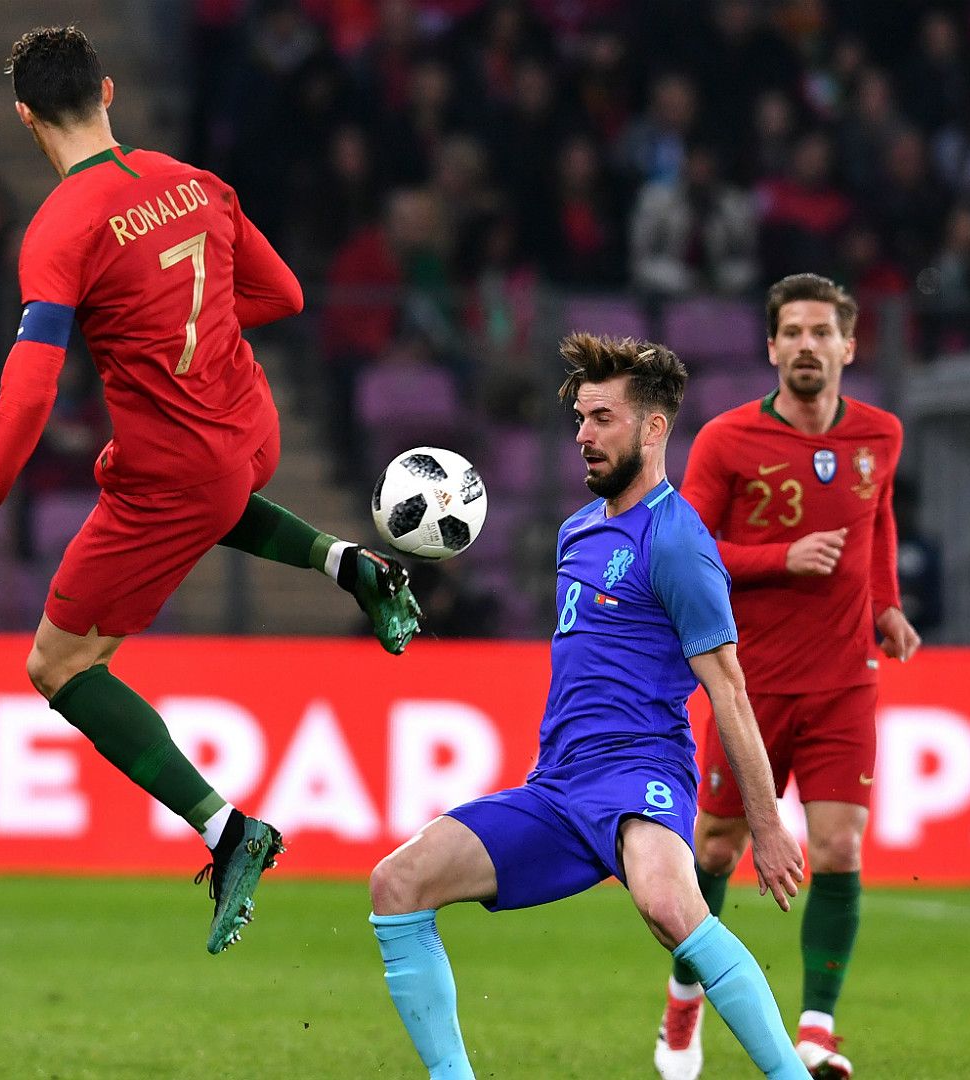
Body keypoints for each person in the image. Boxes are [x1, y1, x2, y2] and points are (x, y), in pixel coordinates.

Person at [0, 26, 421, 956]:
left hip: (175, 472)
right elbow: (284, 298)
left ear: (26, 116)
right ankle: (347, 561)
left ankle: (228, 829)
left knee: (60, 665)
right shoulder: (194, 182)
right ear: (109, 92)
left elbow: (32, 387)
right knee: (193, 495)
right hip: (250, 432)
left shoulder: (61, 229)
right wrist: (182, 324)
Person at [365, 334, 812, 1080]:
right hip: (558, 787)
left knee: (671, 908)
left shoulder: (676, 542)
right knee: (397, 883)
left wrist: (765, 826)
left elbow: (728, 687)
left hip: (639, 773)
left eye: (602, 418)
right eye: (579, 418)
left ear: (653, 428)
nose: (582, 435)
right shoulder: (577, 531)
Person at [657, 272, 922, 1080]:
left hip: (846, 679)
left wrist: (887, 604)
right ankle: (681, 1001)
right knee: (716, 844)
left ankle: (816, 1030)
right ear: (772, 347)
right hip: (750, 681)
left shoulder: (880, 435)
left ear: (848, 345)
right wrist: (782, 558)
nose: (807, 345)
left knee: (840, 848)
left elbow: (876, 520)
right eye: (793, 333)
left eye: (822, 332)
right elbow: (684, 549)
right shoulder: (727, 441)